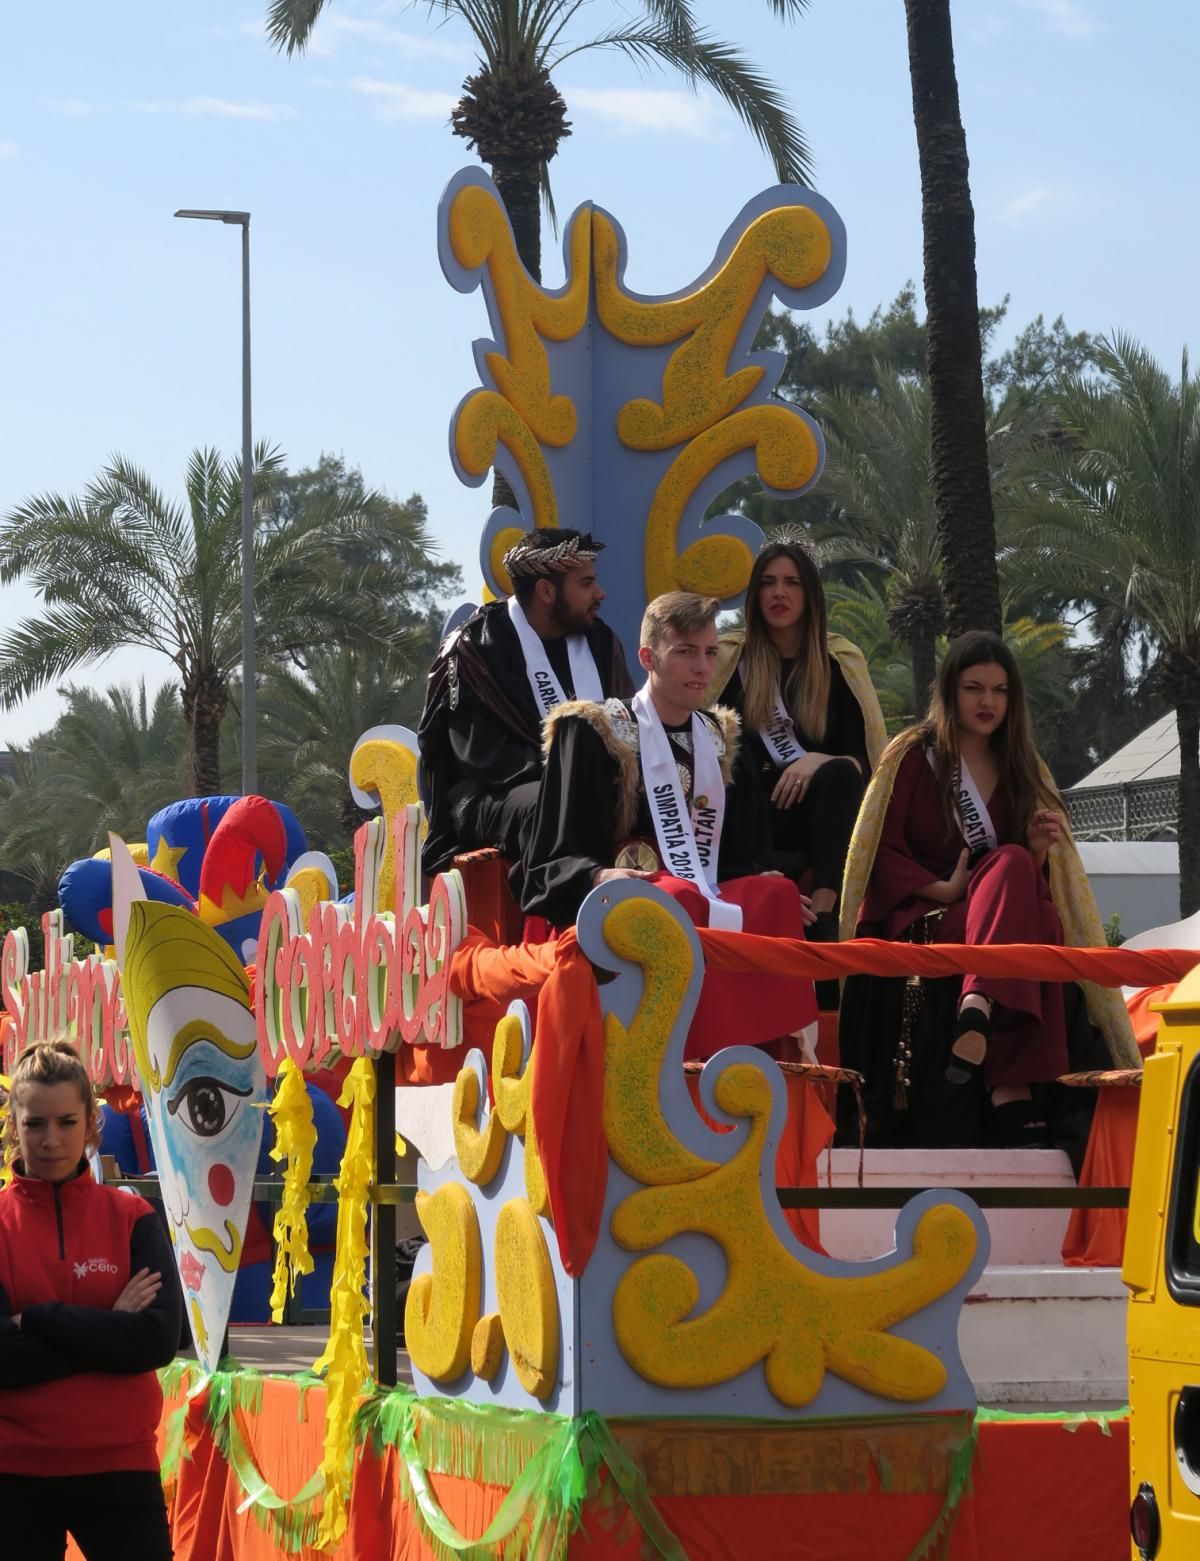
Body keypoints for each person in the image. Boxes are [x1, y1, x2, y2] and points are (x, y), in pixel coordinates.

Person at [838, 631, 1138, 1148]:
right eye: (974, 687)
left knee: (1020, 867)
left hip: (991, 925)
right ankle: (1011, 1086)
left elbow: (1027, 878)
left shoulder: (1023, 768)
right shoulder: (913, 757)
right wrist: (945, 887)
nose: (987, 702)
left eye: (999, 691)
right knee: (1036, 929)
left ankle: (979, 1006)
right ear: (950, 692)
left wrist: (1041, 853)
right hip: (928, 917)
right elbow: (878, 854)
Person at [513, 590, 818, 1058]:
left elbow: (735, 856)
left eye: (710, 653)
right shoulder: (596, 731)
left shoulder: (721, 738)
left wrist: (761, 873)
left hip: (695, 892)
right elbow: (555, 851)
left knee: (774, 894)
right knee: (674, 898)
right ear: (648, 656)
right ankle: (679, 1063)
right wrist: (597, 874)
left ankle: (767, 1066)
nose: (702, 667)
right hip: (620, 895)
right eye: (686, 652)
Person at [0, 1038, 182, 1561]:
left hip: (121, 1469)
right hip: (15, 1474)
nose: (51, 1140)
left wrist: (37, 1318)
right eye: (35, 1123)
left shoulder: (132, 1219)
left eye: (66, 1122)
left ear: (91, 1125)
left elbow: (155, 1342)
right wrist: (108, 1326)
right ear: (15, 1126)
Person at [417, 527, 633, 878]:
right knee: (552, 805)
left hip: (580, 780)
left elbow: (627, 720)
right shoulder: (476, 647)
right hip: (492, 795)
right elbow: (485, 759)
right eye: (586, 583)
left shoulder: (601, 642)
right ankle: (571, 895)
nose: (600, 593)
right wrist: (574, 770)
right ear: (547, 591)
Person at [711, 537, 887, 943]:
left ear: (810, 594)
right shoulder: (727, 659)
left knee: (841, 773)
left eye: (792, 583)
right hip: (747, 817)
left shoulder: (839, 661)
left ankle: (824, 916)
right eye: (769, 583)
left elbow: (867, 761)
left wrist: (817, 759)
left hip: (813, 816)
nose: (779, 593)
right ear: (755, 595)